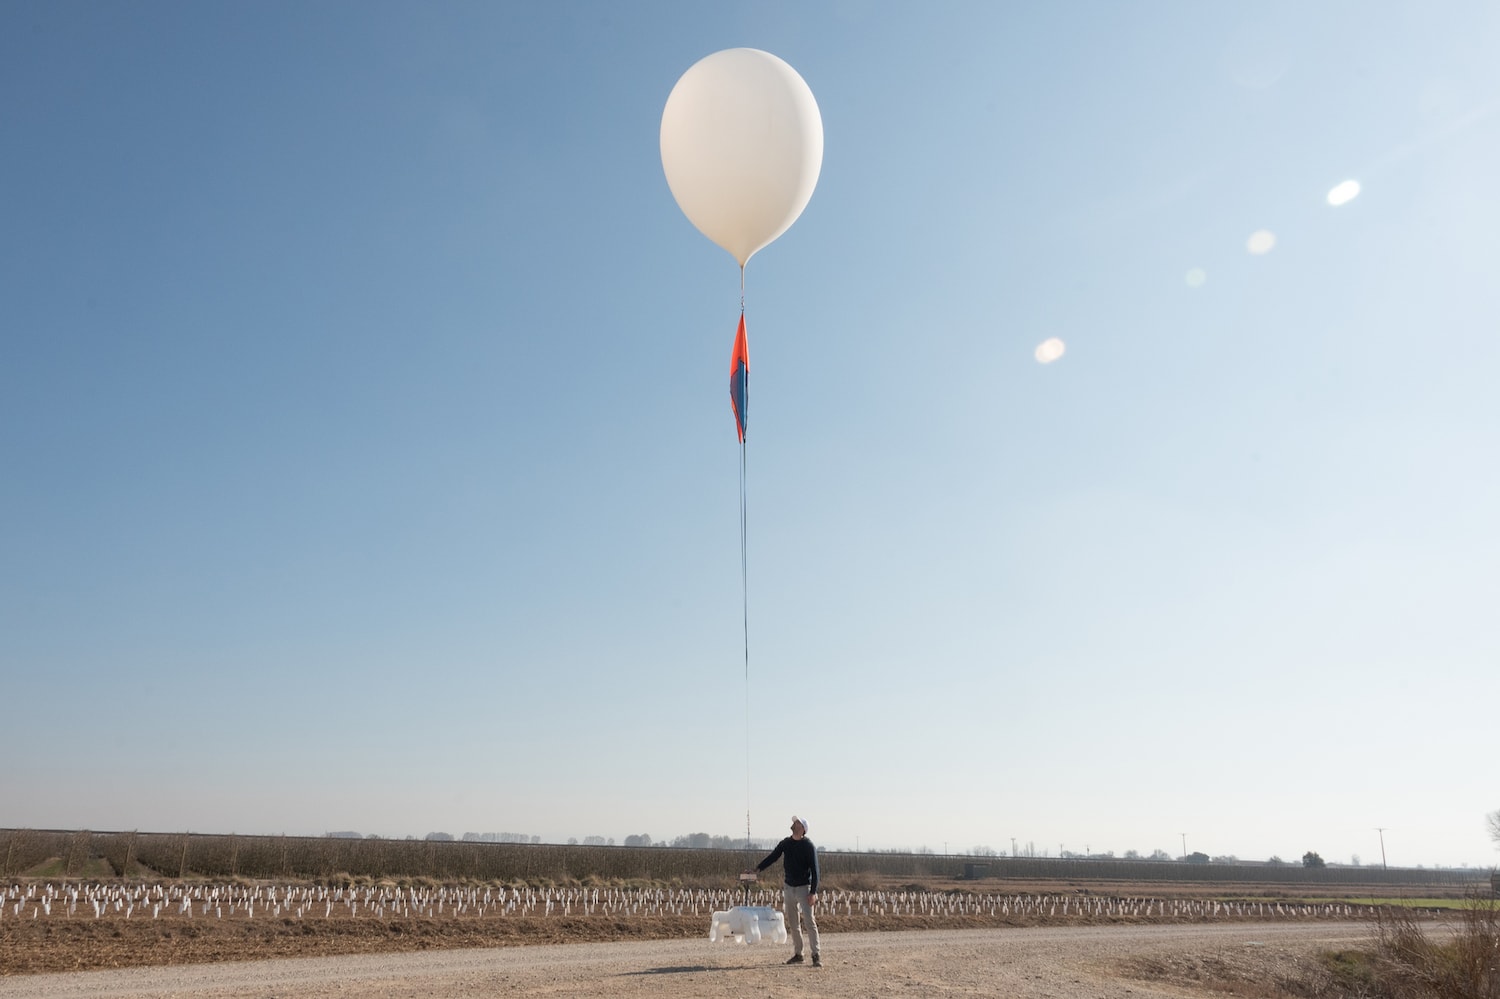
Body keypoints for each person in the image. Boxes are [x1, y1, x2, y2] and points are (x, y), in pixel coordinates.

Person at [749, 815, 821, 966]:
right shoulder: (786, 843)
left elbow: (815, 870)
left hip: (804, 889)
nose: (793, 824)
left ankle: (816, 955)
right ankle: (798, 954)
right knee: (793, 923)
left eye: (797, 823)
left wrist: (813, 892)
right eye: (794, 822)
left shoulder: (809, 846)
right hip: (788, 887)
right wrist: (758, 868)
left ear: (802, 829)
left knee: (809, 922)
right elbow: (773, 857)